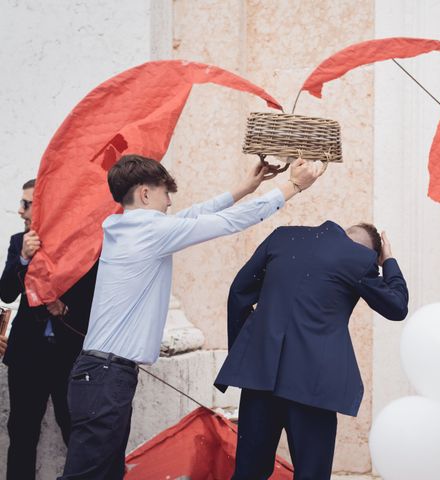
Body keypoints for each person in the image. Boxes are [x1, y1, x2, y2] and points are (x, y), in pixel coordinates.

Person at [59, 153, 323, 480]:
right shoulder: (149, 231)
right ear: (144, 193)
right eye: (165, 193)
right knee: (88, 474)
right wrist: (293, 185)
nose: (170, 202)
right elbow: (228, 222)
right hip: (106, 375)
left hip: (103, 373)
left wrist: (246, 186)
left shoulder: (129, 227)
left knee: (105, 472)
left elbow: (194, 215)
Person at [215, 221, 409, 479]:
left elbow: (239, 292)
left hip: (260, 379)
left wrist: (247, 359)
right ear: (371, 255)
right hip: (313, 388)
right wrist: (389, 261)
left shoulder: (283, 237)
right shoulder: (358, 258)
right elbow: (397, 306)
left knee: (248, 473)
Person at [0, 179, 97, 480]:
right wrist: (23, 259)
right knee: (22, 432)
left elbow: (95, 299)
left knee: (75, 431)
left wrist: (65, 309)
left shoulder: (82, 244)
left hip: (69, 357)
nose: (20, 210)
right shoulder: (19, 242)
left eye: (26, 204)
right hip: (27, 355)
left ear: (43, 206)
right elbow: (6, 293)